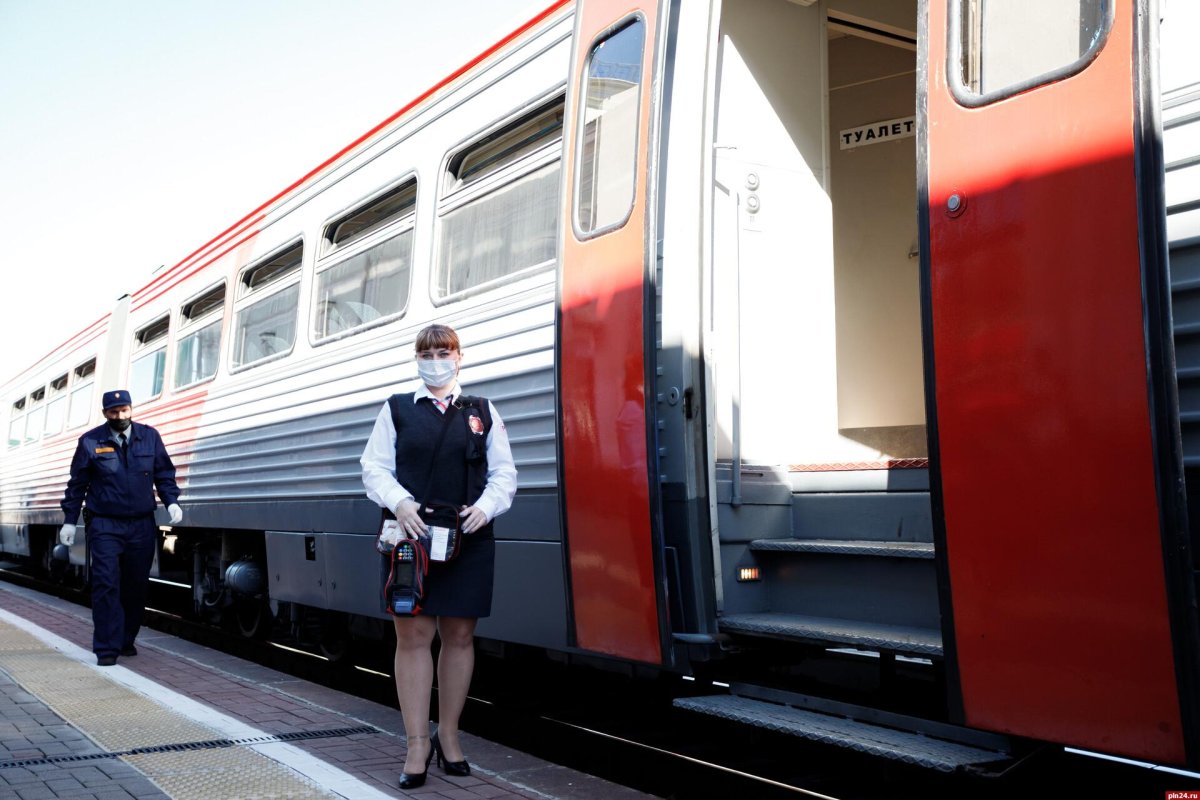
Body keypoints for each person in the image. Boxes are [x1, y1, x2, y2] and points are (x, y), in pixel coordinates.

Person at [360, 324, 517, 789]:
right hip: (411, 537)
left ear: (459, 356)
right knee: (413, 636)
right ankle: (416, 743)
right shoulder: (396, 409)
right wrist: (400, 503)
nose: (435, 358)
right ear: (416, 357)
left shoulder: (483, 411)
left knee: (460, 635)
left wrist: (486, 508)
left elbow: (505, 472)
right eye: (426, 352)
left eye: (443, 351)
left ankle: (448, 735)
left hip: (466, 536)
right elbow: (374, 467)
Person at [59, 389, 182, 666]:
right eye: (113, 412)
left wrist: (171, 501)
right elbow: (77, 485)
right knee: (105, 584)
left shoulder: (150, 437)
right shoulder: (90, 441)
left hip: (141, 524)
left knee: (135, 586)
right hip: (104, 524)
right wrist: (69, 520)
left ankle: (126, 639)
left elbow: (164, 473)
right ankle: (106, 648)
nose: (120, 416)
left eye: (124, 410)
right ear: (105, 414)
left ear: (131, 409)